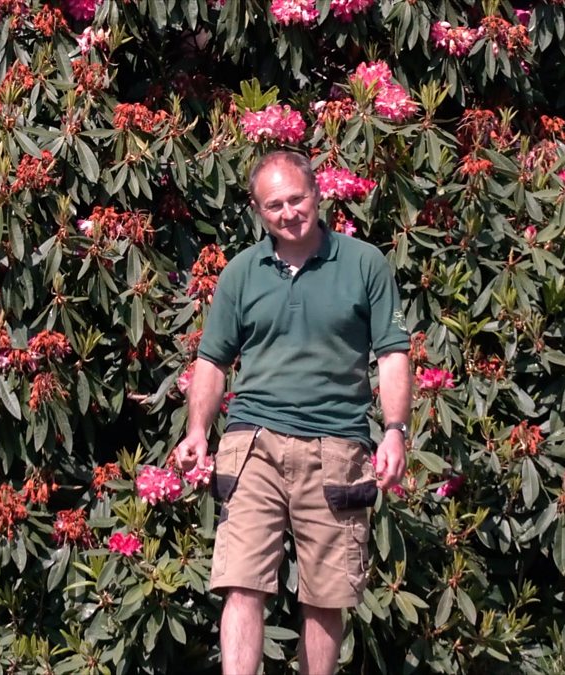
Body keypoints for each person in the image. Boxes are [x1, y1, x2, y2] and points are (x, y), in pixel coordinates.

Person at [174, 150, 412, 675]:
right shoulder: (241, 272)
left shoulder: (365, 263)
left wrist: (395, 430)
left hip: (337, 446)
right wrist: (197, 431)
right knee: (241, 582)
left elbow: (393, 353)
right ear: (259, 211)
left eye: (297, 199)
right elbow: (212, 361)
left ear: (318, 194)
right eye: (274, 205)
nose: (289, 213)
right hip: (252, 443)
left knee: (326, 594)